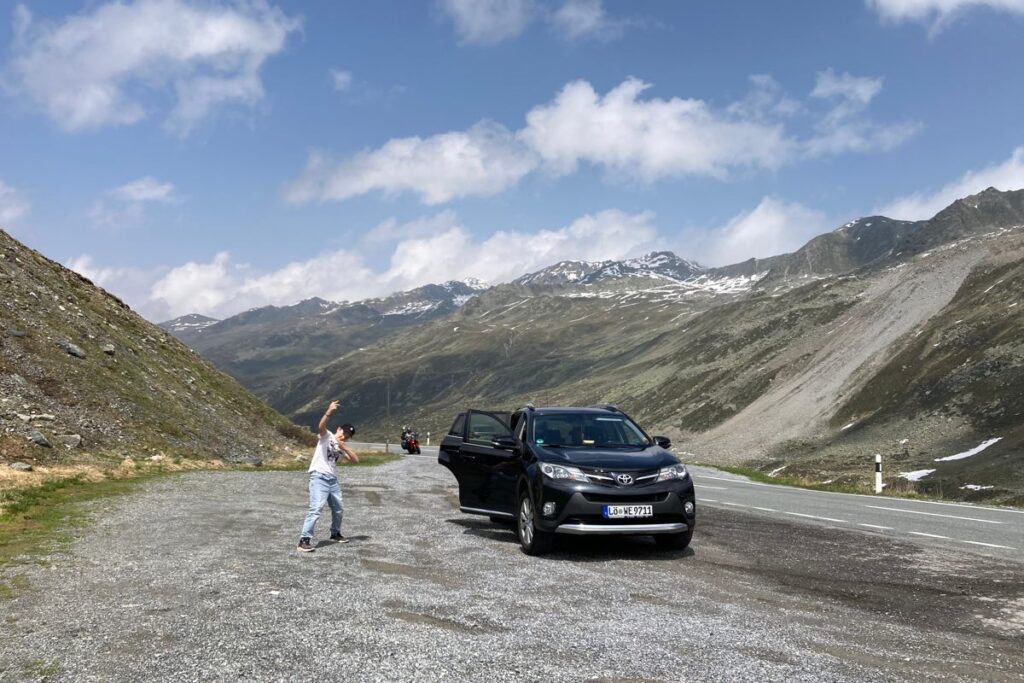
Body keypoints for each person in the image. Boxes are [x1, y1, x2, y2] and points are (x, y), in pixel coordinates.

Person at [297, 401, 359, 553]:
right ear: (338, 429)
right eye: (343, 433)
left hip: (333, 480)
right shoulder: (327, 436)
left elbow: (355, 460)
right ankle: (304, 540)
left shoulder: (342, 446)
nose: (343, 436)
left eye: (347, 436)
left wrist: (345, 447)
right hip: (319, 477)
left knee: (338, 509)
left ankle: (335, 533)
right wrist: (329, 411)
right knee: (316, 508)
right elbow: (321, 426)